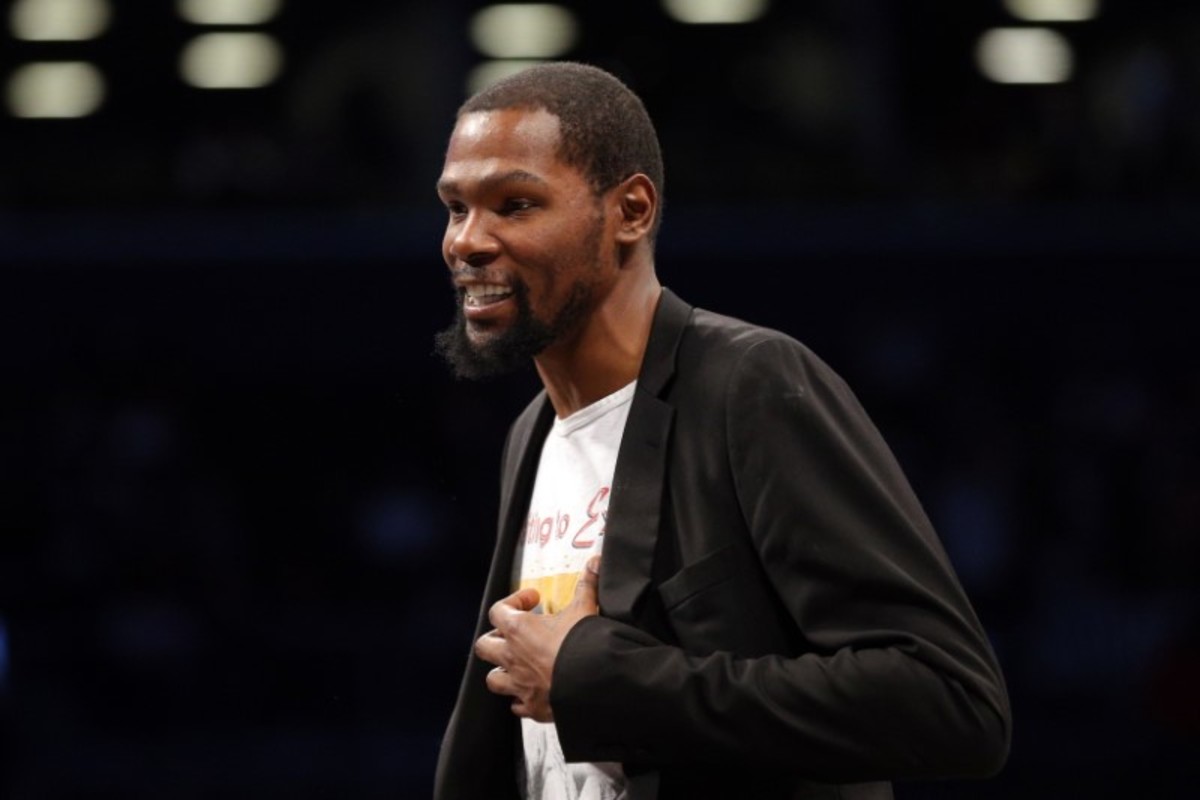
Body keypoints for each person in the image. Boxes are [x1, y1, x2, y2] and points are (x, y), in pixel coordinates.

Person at [431, 62, 1010, 800]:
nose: (467, 241)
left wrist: (603, 682)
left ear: (631, 211)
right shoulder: (533, 432)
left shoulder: (749, 385)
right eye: (455, 207)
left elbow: (951, 702)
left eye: (515, 204)